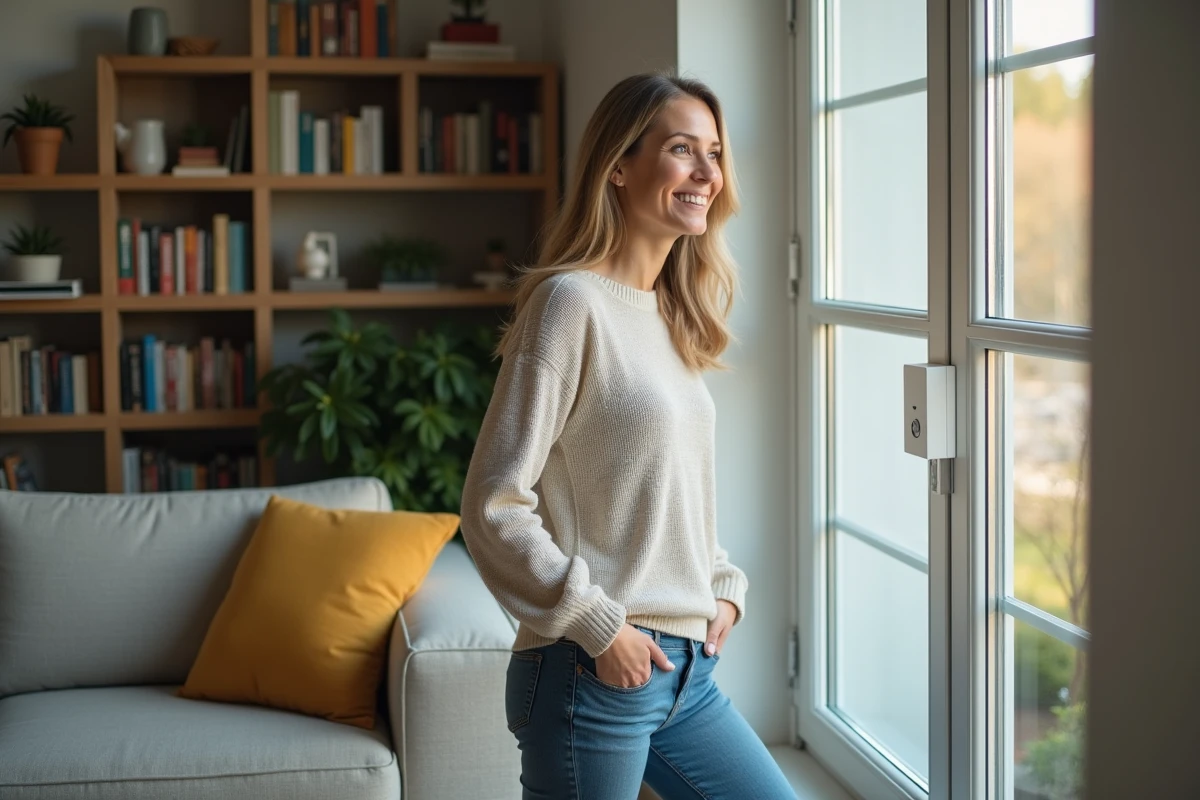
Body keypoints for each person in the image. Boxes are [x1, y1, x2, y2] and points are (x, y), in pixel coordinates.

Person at [459, 73, 797, 800]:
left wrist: (722, 586)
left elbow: (664, 493)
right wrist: (597, 626)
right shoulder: (570, 304)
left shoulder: (673, 313)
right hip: (593, 667)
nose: (709, 173)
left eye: (714, 153)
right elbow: (494, 504)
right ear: (619, 164)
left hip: (686, 675)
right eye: (683, 150)